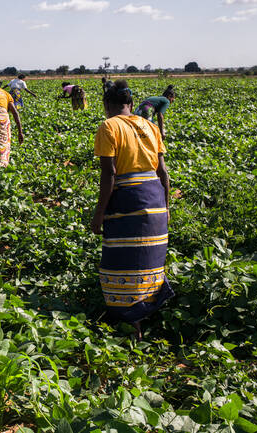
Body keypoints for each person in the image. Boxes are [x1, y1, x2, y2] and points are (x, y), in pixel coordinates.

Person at [90, 79, 174, 340]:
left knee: (122, 261)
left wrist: (99, 212)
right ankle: (149, 312)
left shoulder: (108, 127)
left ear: (107, 104)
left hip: (129, 200)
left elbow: (110, 174)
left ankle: (131, 323)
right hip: (155, 198)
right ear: (130, 103)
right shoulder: (150, 126)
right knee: (149, 259)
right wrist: (167, 207)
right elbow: (163, 173)